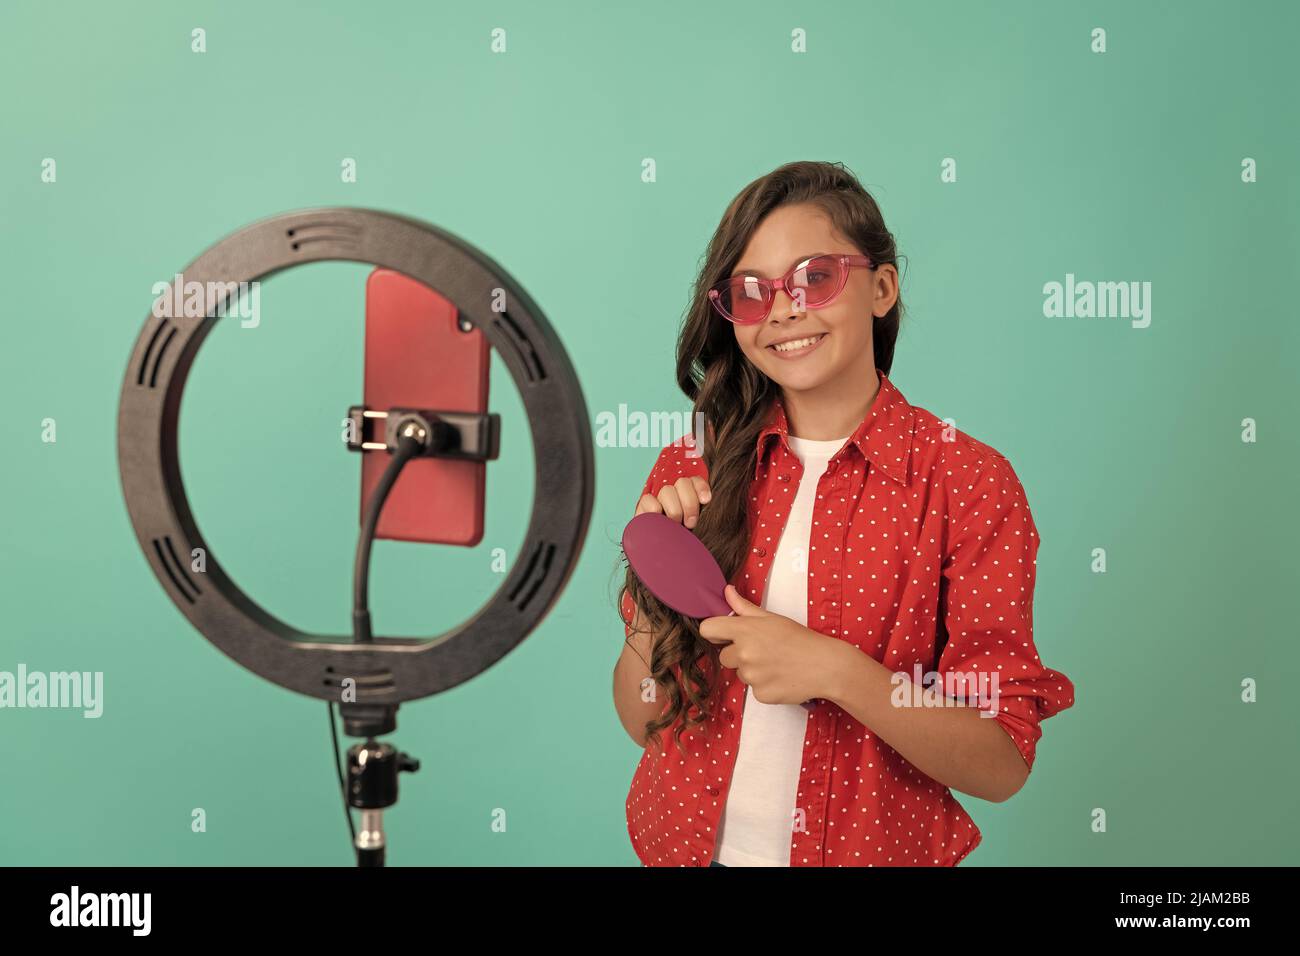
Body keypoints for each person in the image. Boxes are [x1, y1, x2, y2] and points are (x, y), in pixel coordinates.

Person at [612, 160, 1074, 867]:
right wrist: (655, 590)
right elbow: (643, 720)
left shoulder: (968, 483)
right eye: (751, 291)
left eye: (814, 277)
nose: (785, 310)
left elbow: (1001, 761)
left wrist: (836, 671)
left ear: (881, 287)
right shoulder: (695, 465)